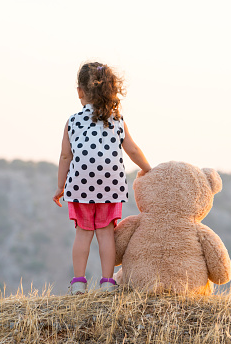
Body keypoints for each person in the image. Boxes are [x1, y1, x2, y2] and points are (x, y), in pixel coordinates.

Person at [53, 62, 151, 295]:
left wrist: (60, 187)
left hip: (80, 185)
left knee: (83, 234)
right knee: (106, 233)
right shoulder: (117, 120)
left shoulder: (73, 121)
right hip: (110, 185)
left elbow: (66, 156)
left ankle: (78, 283)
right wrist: (149, 169)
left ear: (80, 91)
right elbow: (133, 150)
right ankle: (107, 282)